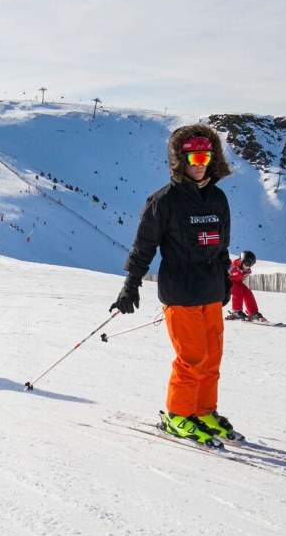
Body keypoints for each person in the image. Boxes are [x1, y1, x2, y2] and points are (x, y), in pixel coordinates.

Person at [111, 124, 236, 445]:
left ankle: (204, 411)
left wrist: (226, 280)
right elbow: (143, 248)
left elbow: (222, 246)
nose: (199, 163)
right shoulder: (163, 201)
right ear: (181, 160)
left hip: (210, 289)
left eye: (205, 156)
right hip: (180, 291)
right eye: (193, 156)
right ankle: (178, 415)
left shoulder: (218, 198)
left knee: (212, 359)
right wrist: (131, 285)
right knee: (192, 358)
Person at [226, 250, 265, 322]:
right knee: (237, 290)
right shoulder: (232, 266)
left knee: (247, 292)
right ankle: (236, 311)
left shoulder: (246, 270)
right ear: (241, 261)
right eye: (247, 263)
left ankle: (253, 312)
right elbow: (224, 274)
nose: (248, 266)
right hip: (228, 283)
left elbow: (241, 279)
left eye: (250, 265)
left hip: (238, 282)